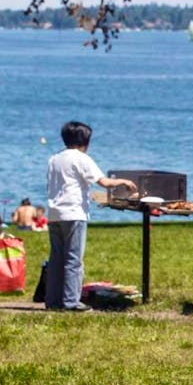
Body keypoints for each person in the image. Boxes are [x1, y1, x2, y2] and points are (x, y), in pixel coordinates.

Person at [45, 121, 136, 312]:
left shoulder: (54, 159)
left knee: (56, 260)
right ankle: (71, 302)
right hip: (74, 213)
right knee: (73, 259)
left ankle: (52, 301)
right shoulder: (82, 158)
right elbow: (104, 182)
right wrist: (124, 181)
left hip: (54, 213)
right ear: (85, 141)